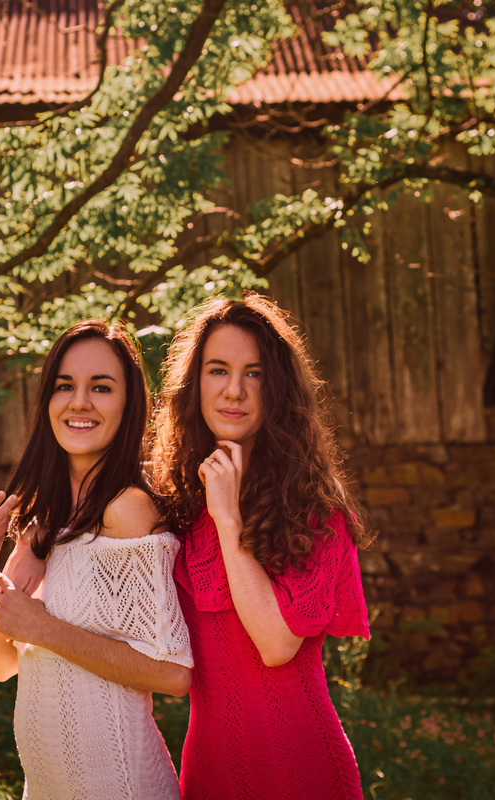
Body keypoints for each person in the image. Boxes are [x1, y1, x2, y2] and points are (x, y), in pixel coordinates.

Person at [0, 320, 193, 800]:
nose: (79, 402)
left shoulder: (126, 509)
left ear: (128, 406)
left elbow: (172, 674)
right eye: (65, 386)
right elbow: (4, 663)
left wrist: (45, 628)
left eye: (100, 387)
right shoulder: (46, 519)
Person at [149, 294, 374, 800]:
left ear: (278, 387)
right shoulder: (175, 506)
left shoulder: (314, 510)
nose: (234, 390)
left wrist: (229, 521)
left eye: (254, 373)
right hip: (211, 772)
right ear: (194, 385)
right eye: (217, 370)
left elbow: (276, 646)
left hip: (304, 768)